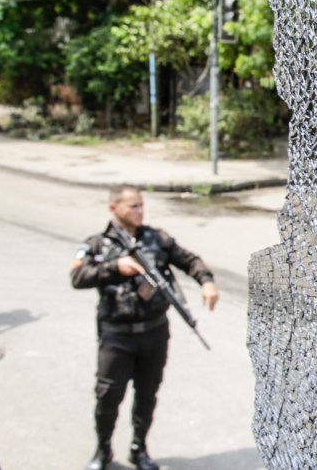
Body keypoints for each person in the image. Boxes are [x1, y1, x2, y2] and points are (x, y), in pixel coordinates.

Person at [71, 185, 220, 470]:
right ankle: (103, 450)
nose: (140, 211)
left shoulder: (156, 238)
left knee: (147, 393)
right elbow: (77, 276)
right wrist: (115, 267)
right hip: (117, 336)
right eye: (132, 206)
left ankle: (139, 448)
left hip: (154, 332)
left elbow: (189, 260)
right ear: (114, 208)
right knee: (108, 396)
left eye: (141, 205)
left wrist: (207, 280)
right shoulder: (97, 244)